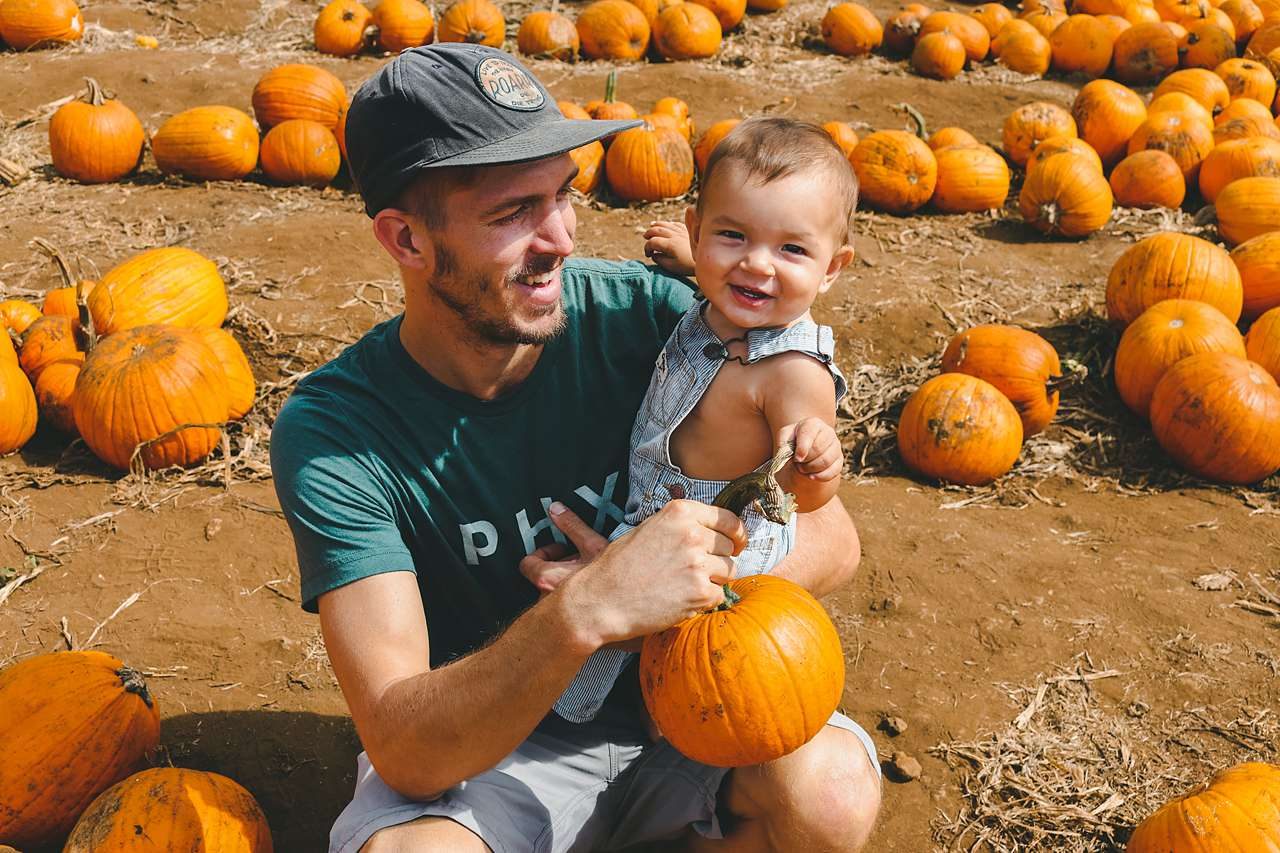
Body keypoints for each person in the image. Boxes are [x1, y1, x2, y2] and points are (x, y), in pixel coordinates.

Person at [270, 42, 881, 853]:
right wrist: (588, 611)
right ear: (407, 242)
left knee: (828, 791)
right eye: (511, 212)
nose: (560, 237)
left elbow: (833, 539)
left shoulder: (661, 323)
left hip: (695, 710)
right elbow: (406, 745)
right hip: (499, 754)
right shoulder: (338, 434)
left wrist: (667, 606)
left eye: (563, 195)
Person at [554, 116, 858, 726]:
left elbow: (808, 497)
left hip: (730, 541)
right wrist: (695, 261)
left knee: (684, 663)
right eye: (732, 236)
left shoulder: (793, 370)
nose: (758, 265)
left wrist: (818, 455)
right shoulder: (727, 304)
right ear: (698, 231)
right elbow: (735, 284)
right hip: (666, 514)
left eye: (792, 249)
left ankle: (617, 719)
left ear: (831, 268)